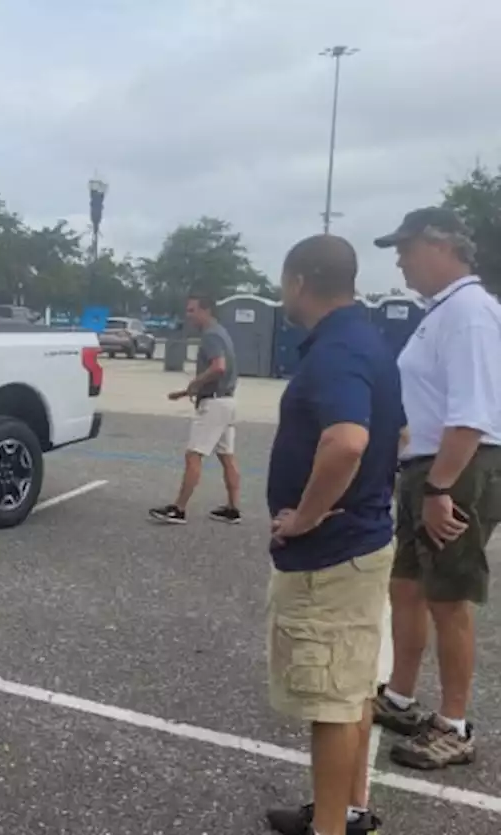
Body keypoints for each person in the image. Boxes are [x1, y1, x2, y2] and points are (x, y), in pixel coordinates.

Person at [263, 234, 401, 835]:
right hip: (361, 544)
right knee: (353, 687)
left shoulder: (335, 351)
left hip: (333, 556)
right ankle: (340, 811)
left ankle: (329, 829)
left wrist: (305, 516)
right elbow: (396, 434)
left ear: (298, 281)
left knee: (332, 701)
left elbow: (348, 440)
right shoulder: (366, 339)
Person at [369, 207, 501, 770]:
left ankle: (453, 724)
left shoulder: (469, 313)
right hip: (429, 468)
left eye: (406, 248)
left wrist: (440, 487)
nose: (399, 260)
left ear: (441, 246)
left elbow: (471, 415)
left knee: (448, 596)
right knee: (407, 585)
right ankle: (399, 696)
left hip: (456, 468)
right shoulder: (442, 311)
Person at [148, 294, 241, 524]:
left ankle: (179, 509)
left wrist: (195, 383)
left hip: (214, 404)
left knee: (193, 455)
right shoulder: (222, 332)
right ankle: (233, 508)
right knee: (227, 457)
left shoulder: (210, 335)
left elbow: (218, 367)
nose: (188, 315)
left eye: (192, 310)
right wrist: (186, 392)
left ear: (206, 310)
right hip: (228, 401)